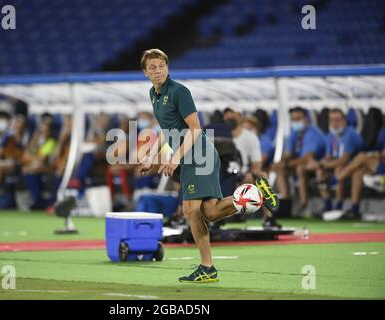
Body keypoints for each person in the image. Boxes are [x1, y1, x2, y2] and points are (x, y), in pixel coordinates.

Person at [138, 49, 279, 283]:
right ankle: (255, 196)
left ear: (167, 68)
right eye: (152, 67)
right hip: (191, 157)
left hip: (198, 155)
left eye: (161, 66)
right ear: (145, 73)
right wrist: (152, 156)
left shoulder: (179, 92)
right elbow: (166, 129)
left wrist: (175, 158)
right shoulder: (154, 94)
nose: (157, 71)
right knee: (210, 213)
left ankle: (207, 267)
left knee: (190, 211)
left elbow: (195, 128)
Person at [307, 108, 364, 217]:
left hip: (356, 168)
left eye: (338, 120)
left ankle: (345, 207)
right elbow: (329, 157)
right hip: (340, 168)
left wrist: (321, 164)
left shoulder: (350, 134)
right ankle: (328, 206)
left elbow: (344, 160)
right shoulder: (330, 136)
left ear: (345, 121)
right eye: (332, 120)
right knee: (320, 171)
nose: (335, 123)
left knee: (340, 168)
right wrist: (320, 164)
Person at [272, 107, 326, 214]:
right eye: (293, 119)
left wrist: (285, 164)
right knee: (280, 170)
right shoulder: (295, 133)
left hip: (317, 166)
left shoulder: (313, 133)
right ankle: (286, 205)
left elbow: (307, 158)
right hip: (300, 165)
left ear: (306, 119)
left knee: (300, 168)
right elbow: (288, 154)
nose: (295, 122)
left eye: (298, 118)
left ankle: (303, 203)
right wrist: (281, 163)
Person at [21, 117, 57, 210]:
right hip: (36, 167)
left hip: (47, 168)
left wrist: (31, 159)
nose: (43, 133)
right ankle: (38, 200)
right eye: (41, 131)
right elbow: (24, 157)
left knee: (29, 171)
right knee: (28, 170)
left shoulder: (51, 142)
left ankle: (39, 200)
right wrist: (34, 142)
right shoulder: (36, 142)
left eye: (46, 131)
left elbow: (42, 159)